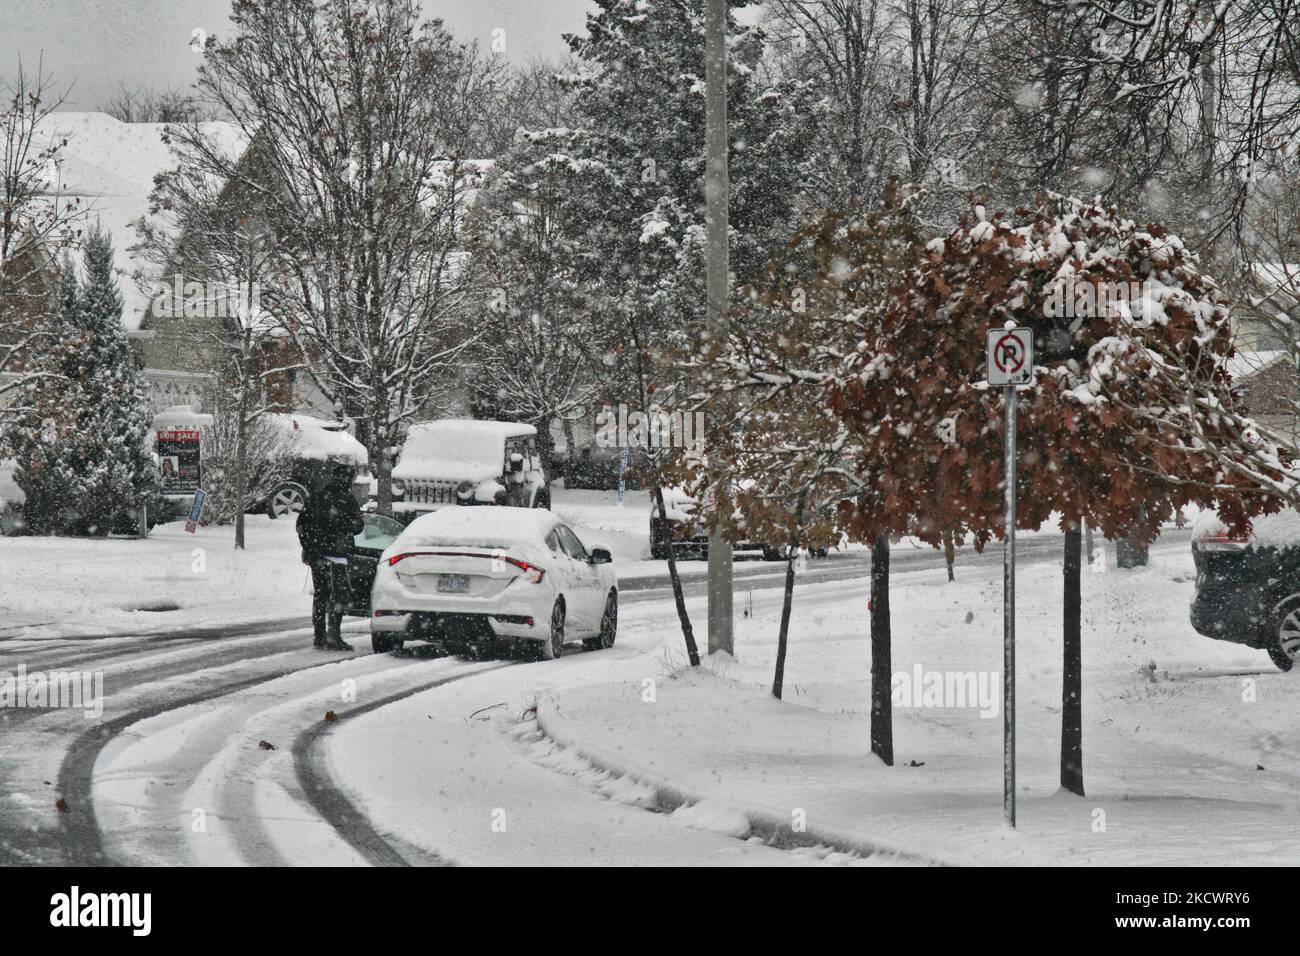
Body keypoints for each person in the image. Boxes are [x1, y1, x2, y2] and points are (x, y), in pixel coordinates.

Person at [296, 461, 364, 650]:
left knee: (321, 594)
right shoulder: (347, 499)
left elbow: (301, 525)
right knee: (340, 595)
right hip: (338, 556)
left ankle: (319, 635)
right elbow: (359, 525)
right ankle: (334, 634)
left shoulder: (316, 497)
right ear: (349, 479)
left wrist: (310, 547)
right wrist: (342, 529)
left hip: (317, 555)